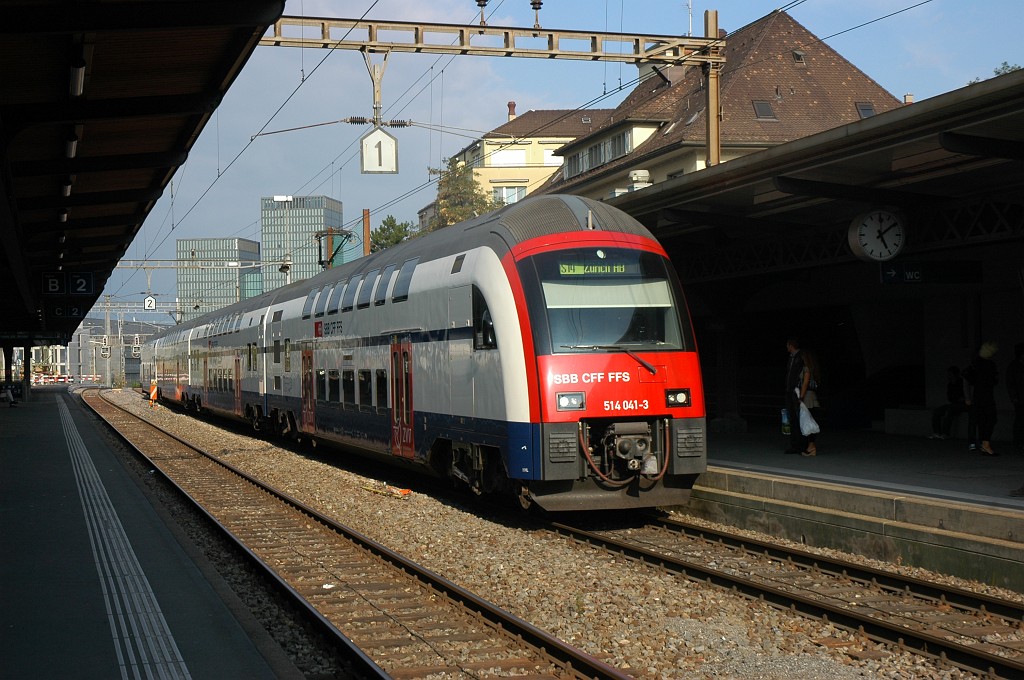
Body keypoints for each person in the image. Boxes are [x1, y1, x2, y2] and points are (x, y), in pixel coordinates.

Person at [963, 341, 999, 456]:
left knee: (981, 419)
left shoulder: (975, 364)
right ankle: (985, 443)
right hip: (986, 395)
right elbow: (993, 380)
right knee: (990, 418)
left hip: (977, 395)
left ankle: (981, 443)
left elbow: (967, 378)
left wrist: (968, 397)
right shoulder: (989, 365)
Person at [929, 366, 967, 440]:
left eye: (950, 374)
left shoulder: (962, 383)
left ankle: (945, 433)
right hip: (954, 403)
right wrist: (956, 398)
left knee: (949, 411)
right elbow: (950, 397)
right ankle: (936, 433)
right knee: (936, 411)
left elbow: (963, 397)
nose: (948, 376)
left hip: (962, 404)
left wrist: (959, 398)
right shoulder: (950, 384)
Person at [784, 337, 807, 455]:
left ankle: (801, 444)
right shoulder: (792, 357)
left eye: (788, 345)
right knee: (792, 417)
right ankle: (795, 444)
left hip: (796, 390)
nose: (787, 347)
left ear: (791, 345)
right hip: (790, 390)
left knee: (799, 417)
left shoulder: (800, 357)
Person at [800, 350, 822, 456]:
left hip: (807, 397)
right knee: (811, 422)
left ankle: (811, 446)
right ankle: (811, 445)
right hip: (812, 396)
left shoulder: (806, 368)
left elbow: (805, 383)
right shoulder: (813, 369)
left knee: (808, 422)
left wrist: (801, 397)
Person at [1007, 342, 1024, 454]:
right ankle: (1019, 441)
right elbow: (1011, 383)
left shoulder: (1015, 366)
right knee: (1020, 420)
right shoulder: (1014, 366)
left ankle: (1019, 441)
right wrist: (1014, 397)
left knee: (1020, 420)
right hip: (1019, 398)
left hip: (1019, 397)